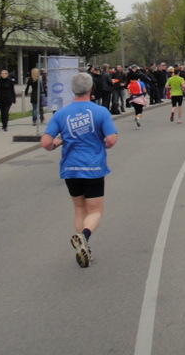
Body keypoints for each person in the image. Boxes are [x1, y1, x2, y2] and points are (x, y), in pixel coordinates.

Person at [41, 72, 117, 268]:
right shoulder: (100, 112)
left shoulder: (61, 114)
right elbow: (111, 140)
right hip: (93, 167)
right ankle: (84, 237)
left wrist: (57, 143)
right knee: (96, 210)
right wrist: (103, 144)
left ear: (72, 90)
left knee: (79, 208)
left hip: (70, 168)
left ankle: (82, 246)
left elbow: (46, 143)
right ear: (91, 88)